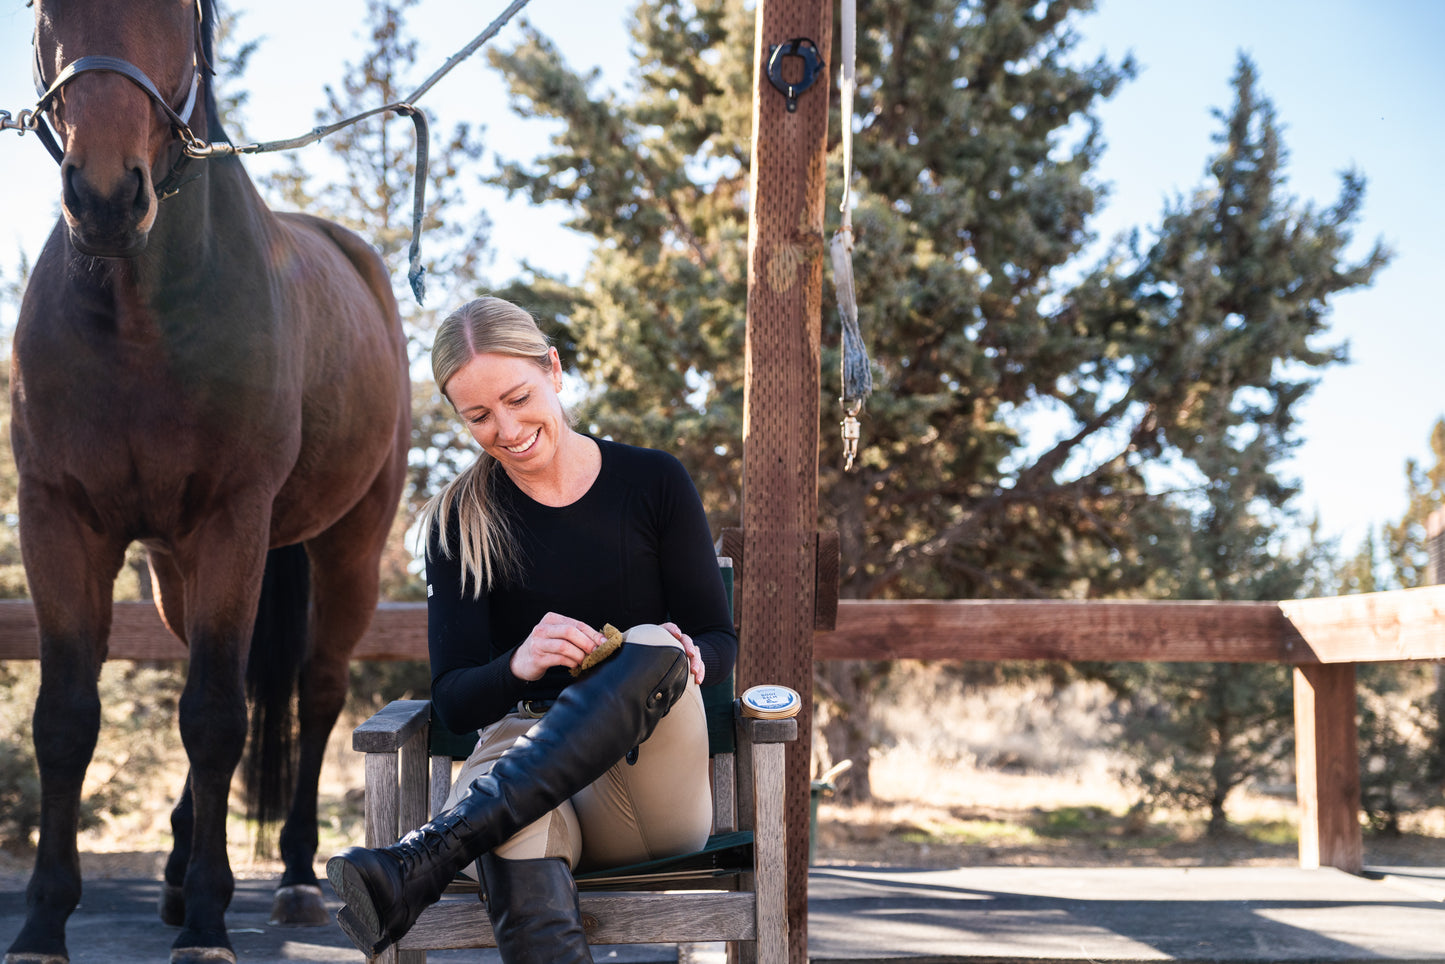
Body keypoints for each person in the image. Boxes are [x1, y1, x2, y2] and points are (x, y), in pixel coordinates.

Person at [327, 296, 737, 964]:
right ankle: (449, 844)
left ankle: (425, 857)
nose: (506, 428)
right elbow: (455, 700)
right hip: (526, 784)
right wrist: (518, 663)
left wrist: (686, 657)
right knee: (509, 812)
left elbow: (720, 640)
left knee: (653, 646)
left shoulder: (653, 482)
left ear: (553, 369)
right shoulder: (460, 521)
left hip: (643, 789)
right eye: (478, 416)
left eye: (518, 398)